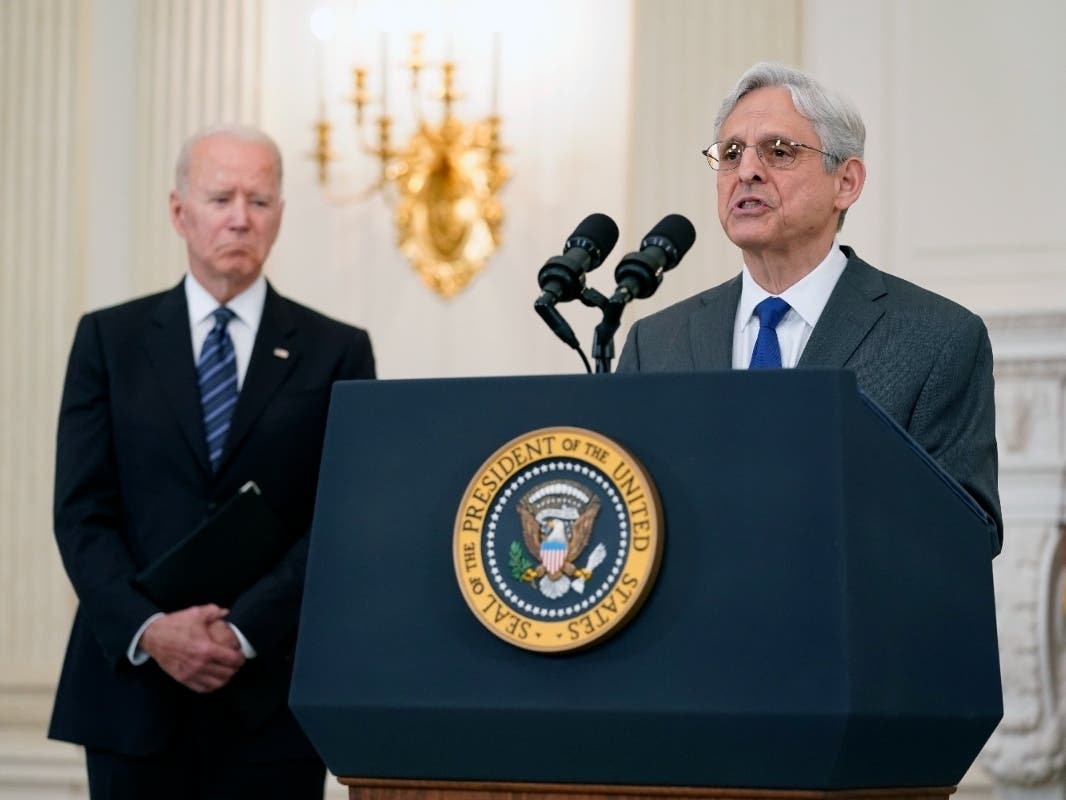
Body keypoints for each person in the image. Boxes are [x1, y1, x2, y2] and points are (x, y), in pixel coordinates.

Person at [49, 124, 375, 799]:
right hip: (132, 695)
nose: (239, 217)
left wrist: (244, 630)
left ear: (280, 217)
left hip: (269, 697)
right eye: (220, 197)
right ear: (179, 212)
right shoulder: (110, 340)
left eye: (259, 201)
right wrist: (153, 629)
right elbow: (81, 512)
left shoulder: (337, 350)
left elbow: (339, 518)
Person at [616, 62, 1002, 555]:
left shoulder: (937, 338)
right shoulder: (656, 342)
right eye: (731, 154)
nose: (748, 171)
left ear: (846, 182)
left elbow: (965, 536)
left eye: (779, 151)